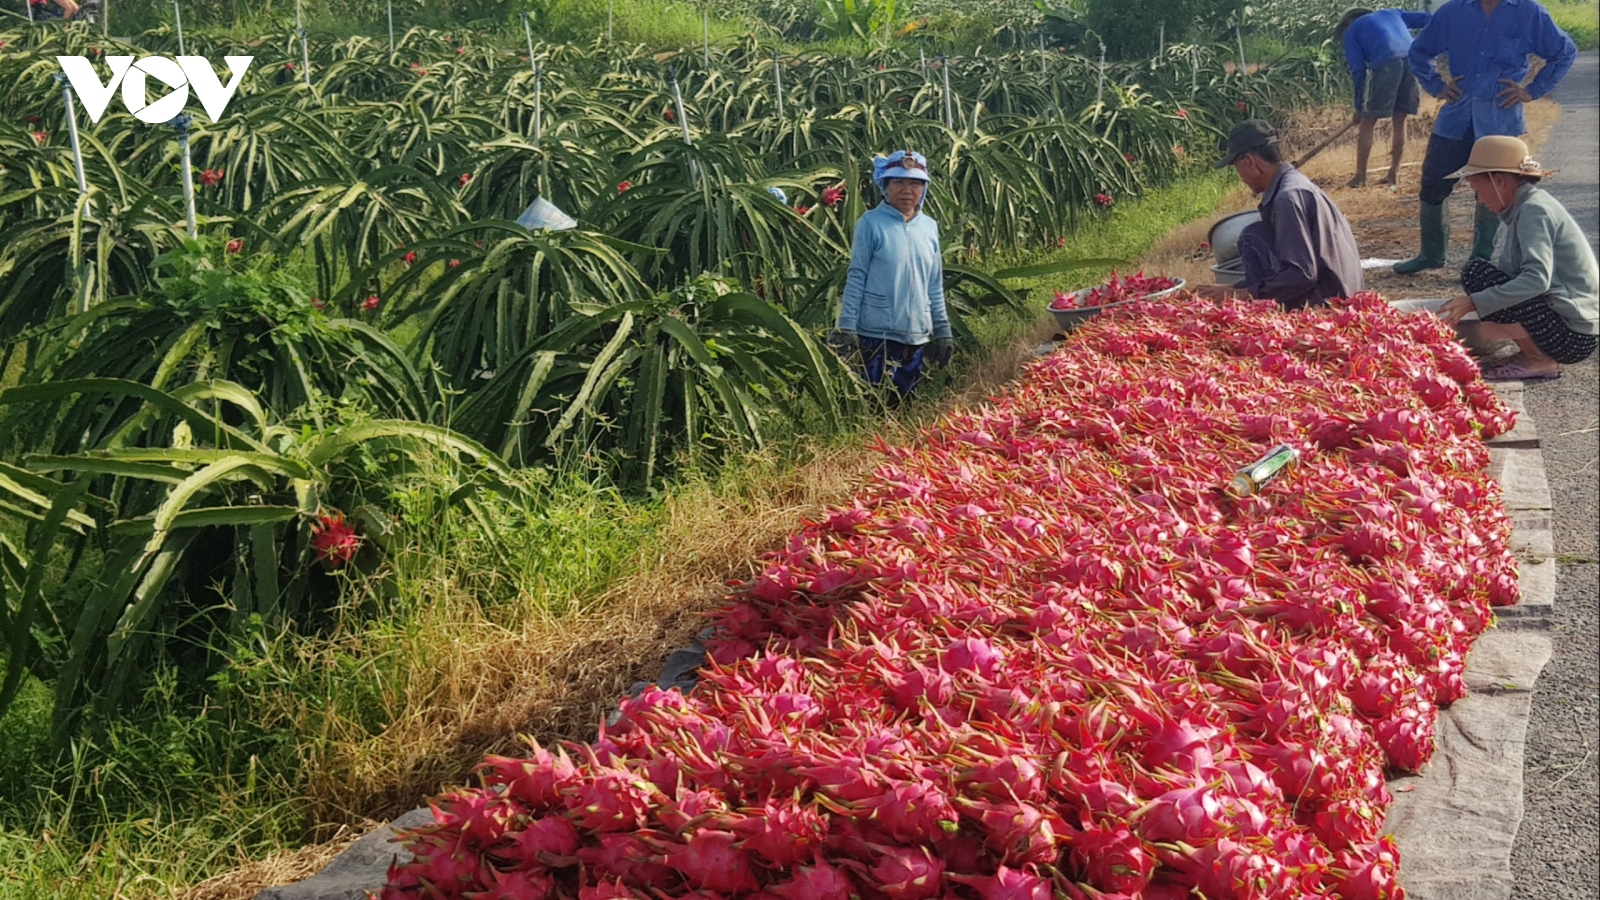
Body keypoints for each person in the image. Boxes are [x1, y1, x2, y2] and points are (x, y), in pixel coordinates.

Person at [1395, 0, 1576, 274]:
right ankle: (1431, 254)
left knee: (1495, 185)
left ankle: (1481, 259)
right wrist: (1437, 86)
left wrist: (1532, 90)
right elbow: (1419, 52)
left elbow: (1564, 52)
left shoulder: (1528, 11)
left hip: (1500, 115)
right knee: (1434, 182)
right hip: (1457, 114)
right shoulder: (1453, 11)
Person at [1436, 136, 1597, 381]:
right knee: (1483, 276)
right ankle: (1531, 353)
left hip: (1573, 335)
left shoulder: (1534, 210)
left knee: (1477, 275)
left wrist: (1473, 302)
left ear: (1498, 181)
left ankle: (1538, 359)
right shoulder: (1526, 206)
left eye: (1477, 190)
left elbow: (1536, 280)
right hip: (1567, 326)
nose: (1479, 200)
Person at [1196, 121, 1364, 311]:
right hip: (1342, 292)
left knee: (1252, 237)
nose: (1240, 177)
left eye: (1237, 167)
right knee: (1258, 233)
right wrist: (1232, 287)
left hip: (1329, 304)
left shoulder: (1287, 198)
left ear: (1250, 161)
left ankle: (1266, 313)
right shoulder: (1296, 184)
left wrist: (1244, 295)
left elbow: (1302, 275)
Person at [829, 150, 953, 396]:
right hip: (876, 335)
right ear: (885, 187)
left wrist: (942, 329)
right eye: (898, 182)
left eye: (915, 183)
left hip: (917, 335)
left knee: (906, 403)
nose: (907, 190)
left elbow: (934, 284)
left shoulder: (929, 227)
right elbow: (857, 276)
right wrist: (846, 325)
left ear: (924, 188)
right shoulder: (870, 223)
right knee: (874, 401)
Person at [1335, 7, 1431, 187]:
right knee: (1400, 119)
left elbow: (1358, 71)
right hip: (1413, 59)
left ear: (1349, 21)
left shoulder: (1352, 30)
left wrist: (1359, 107)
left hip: (1386, 63)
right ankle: (1394, 174)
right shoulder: (1392, 13)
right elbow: (1429, 19)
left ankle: (1360, 177)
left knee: (1367, 121)